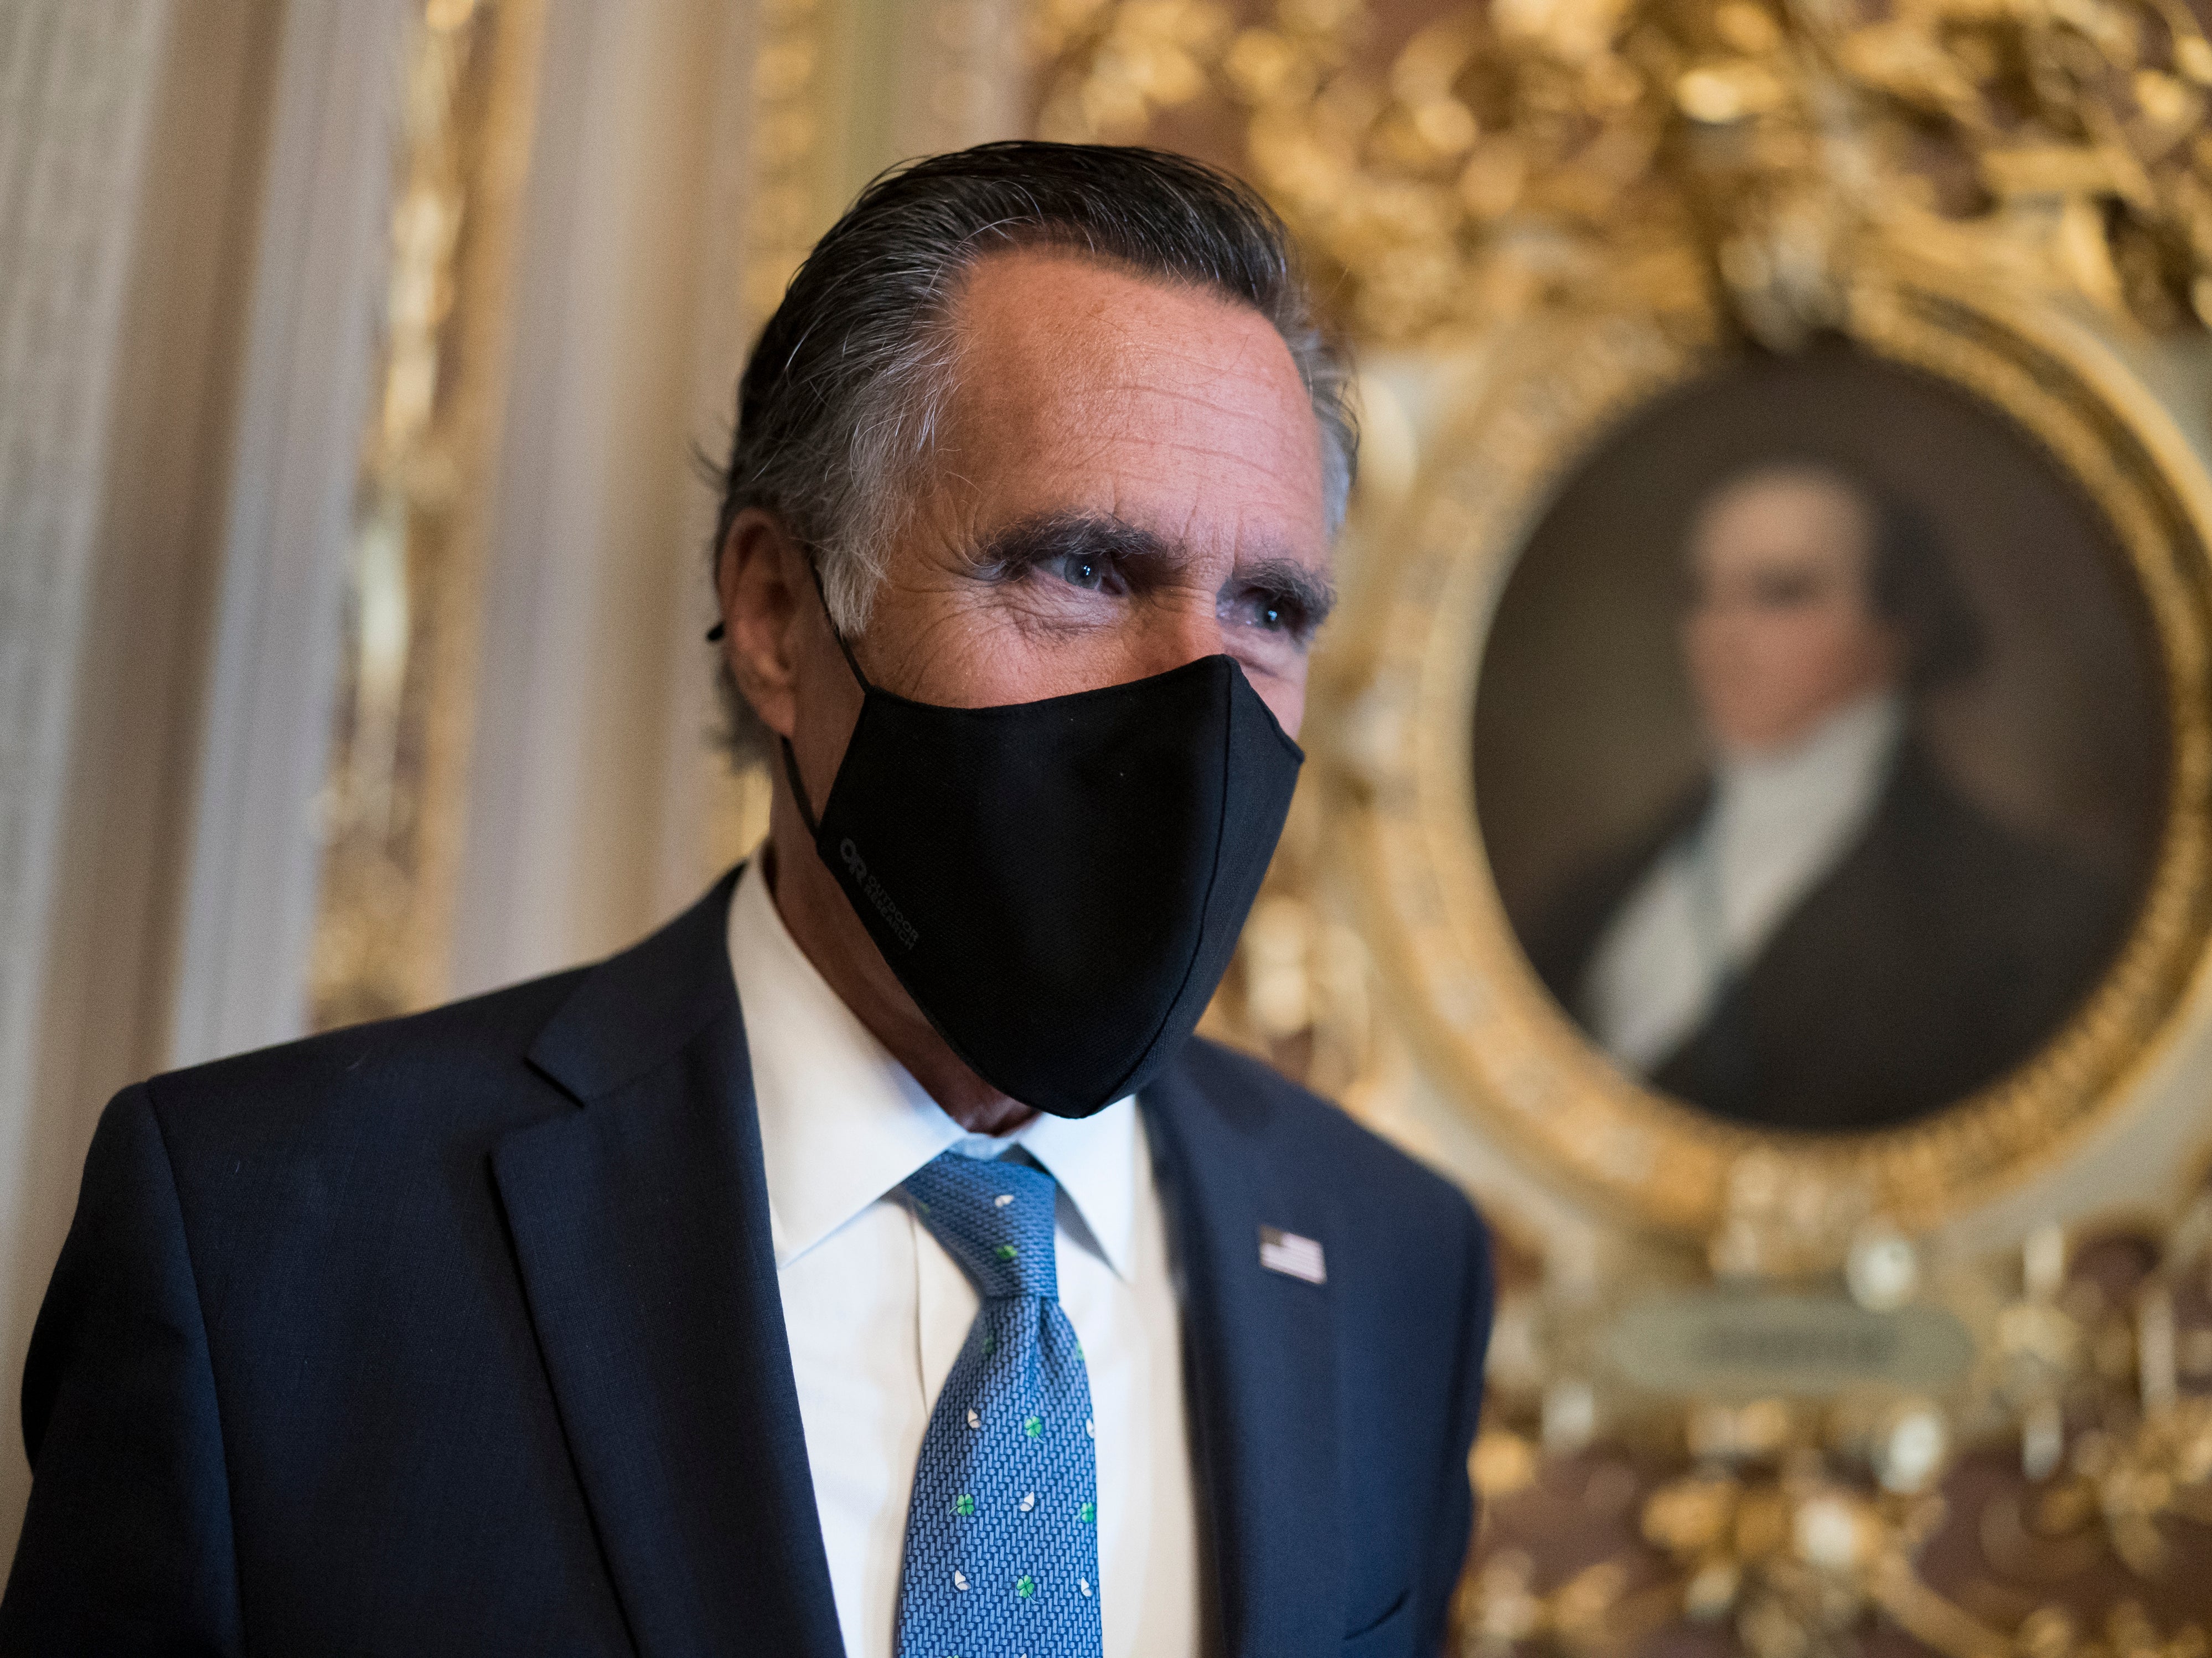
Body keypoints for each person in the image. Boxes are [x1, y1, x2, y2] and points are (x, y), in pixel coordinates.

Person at [1, 144, 1492, 1657]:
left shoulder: (1388, 1260)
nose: (1198, 702)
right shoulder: (271, 1241)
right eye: (1085, 568)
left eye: (1270, 609)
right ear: (778, 615)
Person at [1528, 461, 2125, 1133]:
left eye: (1780, 593)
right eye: (1700, 594)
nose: (1722, 632)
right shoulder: (1595, 891)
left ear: (1901, 623)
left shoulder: (2025, 913)